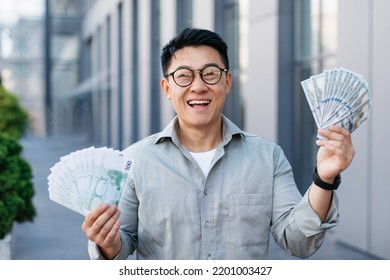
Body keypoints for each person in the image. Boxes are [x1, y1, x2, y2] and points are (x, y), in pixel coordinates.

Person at [82, 27, 355, 260]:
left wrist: (324, 178)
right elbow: (123, 242)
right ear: (167, 88)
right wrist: (107, 242)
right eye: (184, 75)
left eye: (210, 73)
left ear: (228, 82)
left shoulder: (267, 156)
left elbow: (298, 240)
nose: (198, 86)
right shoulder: (135, 160)